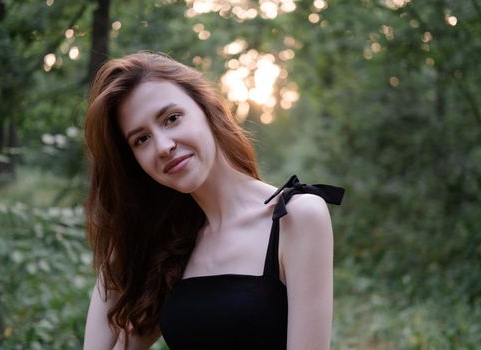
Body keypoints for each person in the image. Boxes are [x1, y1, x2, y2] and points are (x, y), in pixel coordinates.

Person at [82, 52, 344, 350]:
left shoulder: (295, 217)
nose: (164, 146)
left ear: (207, 109)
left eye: (171, 118)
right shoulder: (167, 246)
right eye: (141, 139)